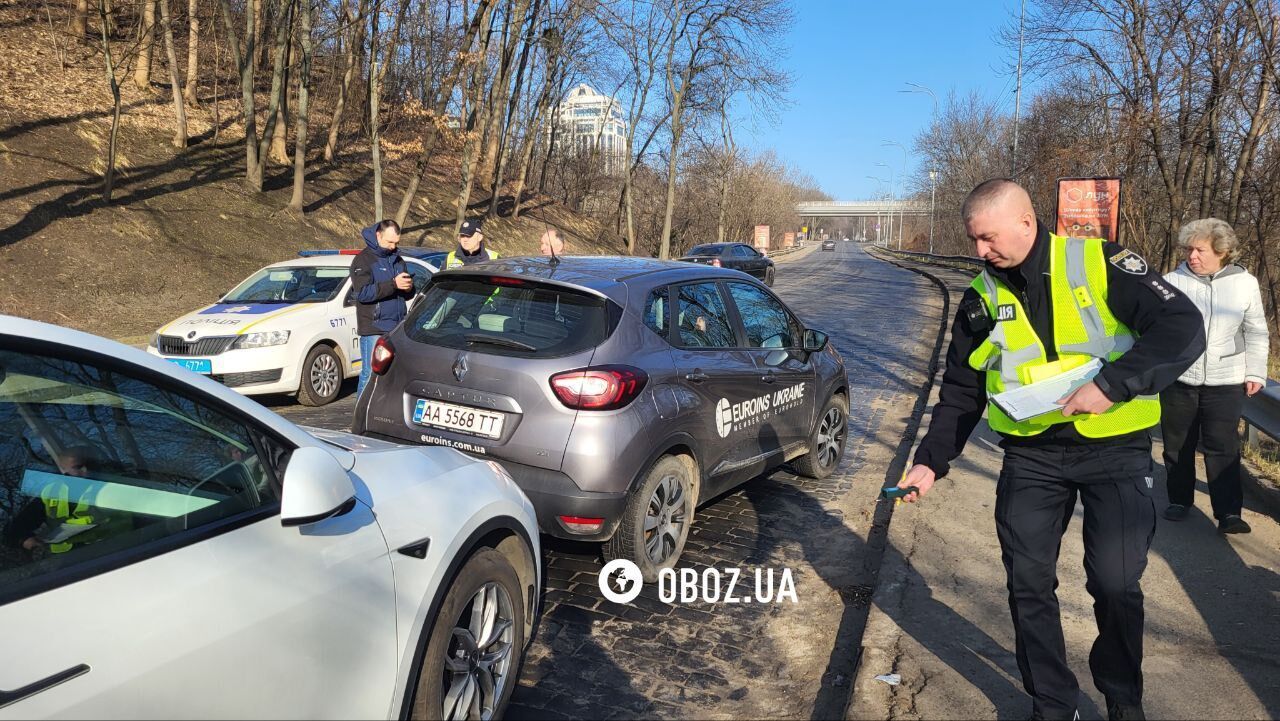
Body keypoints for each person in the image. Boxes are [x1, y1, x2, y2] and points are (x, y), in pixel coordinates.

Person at [898, 179, 1206, 721]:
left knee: (1114, 583)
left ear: (1025, 221)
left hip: (1115, 445)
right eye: (973, 241)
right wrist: (930, 460)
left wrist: (1111, 385)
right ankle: (1053, 703)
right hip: (1032, 457)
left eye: (988, 238)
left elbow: (1182, 327)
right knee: (1027, 583)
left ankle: (1122, 699)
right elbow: (962, 389)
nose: (980, 252)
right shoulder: (981, 297)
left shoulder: (1099, 262)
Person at [1159, 218, 1269, 534]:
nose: (1192, 256)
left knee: (1223, 446)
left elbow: (1257, 331)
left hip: (1227, 380)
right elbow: (1158, 330)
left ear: (1221, 251)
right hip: (1181, 379)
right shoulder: (1172, 282)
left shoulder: (1245, 283)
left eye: (1200, 250)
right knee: (1177, 445)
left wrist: (1255, 372)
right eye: (1189, 249)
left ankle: (1229, 514)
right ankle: (1179, 500)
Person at [351, 219, 414, 395]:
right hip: (374, 327)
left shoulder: (397, 260)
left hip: (396, 327)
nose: (393, 246)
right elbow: (363, 293)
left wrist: (409, 288)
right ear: (378, 235)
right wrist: (393, 284)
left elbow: (406, 293)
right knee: (370, 374)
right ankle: (361, 417)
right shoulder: (363, 260)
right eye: (389, 242)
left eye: (396, 243)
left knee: (393, 376)